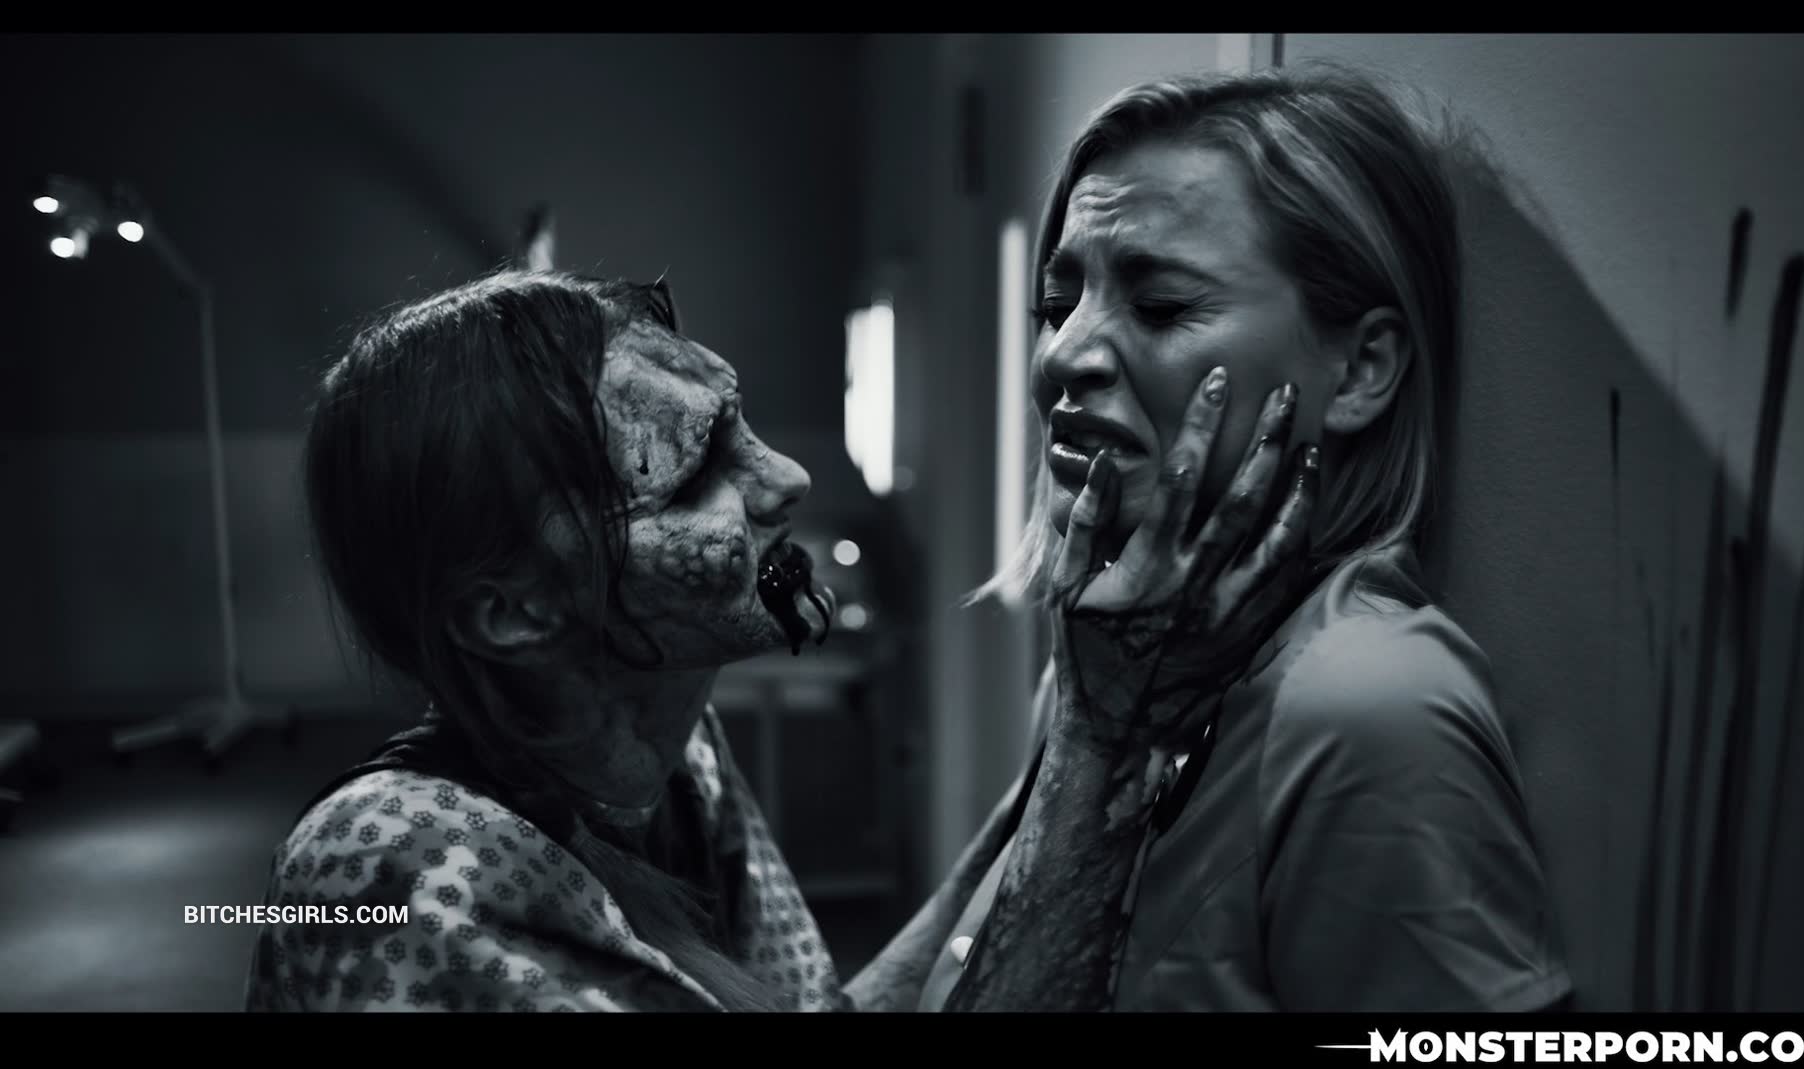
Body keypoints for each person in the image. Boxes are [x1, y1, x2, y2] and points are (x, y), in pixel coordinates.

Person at [242, 267, 1318, 1012]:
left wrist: (1069, 741)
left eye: (740, 425)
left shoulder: (670, 752)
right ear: (513, 611)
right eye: (696, 476)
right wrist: (1098, 738)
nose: (786, 479)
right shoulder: (388, 867)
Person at [917, 63, 1574, 1012]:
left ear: (1362, 370)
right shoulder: (1106, 672)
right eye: (1057, 307)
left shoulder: (1366, 711)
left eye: (1160, 306)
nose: (1061, 354)